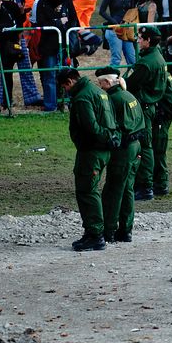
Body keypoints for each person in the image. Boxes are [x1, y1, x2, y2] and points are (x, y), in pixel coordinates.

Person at [57, 67, 120, 252]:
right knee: (90, 190)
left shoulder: (83, 97)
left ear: (69, 81)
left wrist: (99, 139)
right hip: (102, 149)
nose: (65, 90)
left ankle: (95, 235)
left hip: (91, 151)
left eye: (64, 86)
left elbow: (91, 127)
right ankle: (93, 232)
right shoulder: (99, 92)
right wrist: (110, 138)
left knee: (87, 191)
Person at [125, 26, 172, 200]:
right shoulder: (157, 57)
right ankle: (158, 184)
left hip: (148, 108)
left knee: (147, 147)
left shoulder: (147, 62)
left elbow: (130, 84)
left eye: (141, 37)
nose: (138, 40)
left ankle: (146, 186)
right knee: (156, 148)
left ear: (148, 40)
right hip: (159, 108)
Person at [95, 67, 145, 243]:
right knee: (128, 189)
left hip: (123, 149)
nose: (100, 87)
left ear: (107, 82)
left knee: (113, 190)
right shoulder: (129, 96)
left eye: (100, 83)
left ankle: (108, 230)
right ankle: (126, 230)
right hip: (137, 146)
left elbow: (112, 126)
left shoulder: (113, 99)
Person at [99, 0, 136, 66]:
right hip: (114, 30)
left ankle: (135, 80)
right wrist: (114, 22)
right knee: (116, 59)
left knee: (132, 58)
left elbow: (132, 11)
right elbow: (101, 11)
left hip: (126, 29)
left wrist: (130, 23)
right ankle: (111, 80)